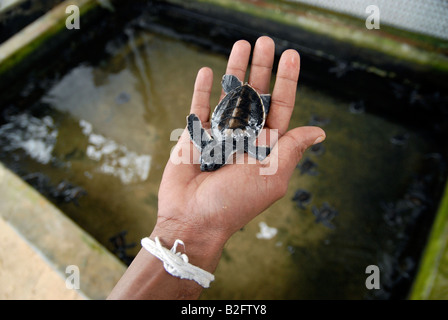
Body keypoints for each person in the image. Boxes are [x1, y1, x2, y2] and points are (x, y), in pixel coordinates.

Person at [107, 36, 326, 300]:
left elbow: (196, 126)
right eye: (209, 161)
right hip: (237, 117)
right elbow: (201, 129)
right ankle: (245, 93)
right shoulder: (242, 145)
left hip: (233, 117)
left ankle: (244, 92)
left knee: (247, 112)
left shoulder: (236, 143)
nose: (206, 164)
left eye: (209, 161)